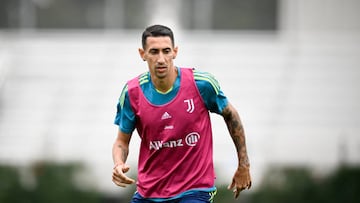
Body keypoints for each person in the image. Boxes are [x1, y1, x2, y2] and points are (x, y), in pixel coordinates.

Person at [112, 24, 251, 203]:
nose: (161, 59)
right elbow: (121, 141)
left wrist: (244, 164)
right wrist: (118, 163)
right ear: (142, 54)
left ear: (175, 52)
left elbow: (231, 116)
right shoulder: (132, 93)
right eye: (154, 52)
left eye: (166, 51)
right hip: (149, 192)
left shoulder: (202, 84)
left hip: (194, 191)